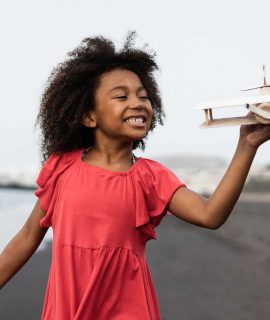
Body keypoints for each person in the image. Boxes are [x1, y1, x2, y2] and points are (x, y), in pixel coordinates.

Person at [0, 31, 269, 320]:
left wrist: (247, 145)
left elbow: (210, 215)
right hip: (68, 307)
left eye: (143, 96)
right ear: (89, 116)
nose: (138, 103)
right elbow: (28, 237)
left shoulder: (150, 177)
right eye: (121, 96)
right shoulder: (61, 168)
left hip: (128, 310)